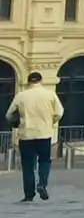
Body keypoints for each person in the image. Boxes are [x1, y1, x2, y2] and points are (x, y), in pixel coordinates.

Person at [6, 71, 63, 203]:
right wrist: (51, 121)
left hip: (26, 135)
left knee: (28, 166)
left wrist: (16, 123)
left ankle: (29, 195)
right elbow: (59, 112)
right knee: (44, 161)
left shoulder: (21, 96)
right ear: (41, 81)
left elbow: (9, 114)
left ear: (28, 82)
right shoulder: (50, 94)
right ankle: (42, 183)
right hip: (44, 134)